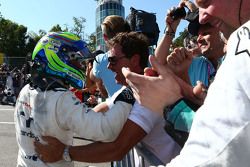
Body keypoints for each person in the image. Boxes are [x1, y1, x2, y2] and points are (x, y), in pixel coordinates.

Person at [123, 0, 250, 166]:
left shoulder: (242, 51)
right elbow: (156, 64)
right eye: (197, 33)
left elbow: (221, 147)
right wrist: (186, 88)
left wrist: (172, 105)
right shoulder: (199, 61)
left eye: (207, 30)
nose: (200, 36)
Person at [34, 32, 181, 166]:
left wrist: (63, 152)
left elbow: (117, 149)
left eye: (113, 60)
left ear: (135, 60)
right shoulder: (127, 90)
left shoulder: (149, 94)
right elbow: (100, 110)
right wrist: (66, 117)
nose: (109, 67)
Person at [14, 32, 135, 167]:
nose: (79, 66)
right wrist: (127, 95)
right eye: (74, 59)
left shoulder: (25, 90)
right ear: (56, 58)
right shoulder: (61, 99)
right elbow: (106, 130)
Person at [90, 15, 131, 98]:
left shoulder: (99, 60)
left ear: (105, 37)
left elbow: (92, 78)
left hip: (118, 109)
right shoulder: (141, 52)